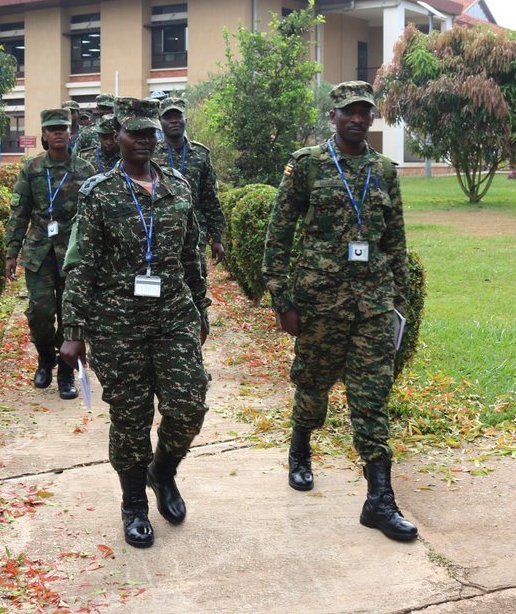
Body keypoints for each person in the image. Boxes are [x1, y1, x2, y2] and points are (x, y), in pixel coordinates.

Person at [262, 81, 418, 542]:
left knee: (372, 399)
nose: (356, 119)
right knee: (312, 386)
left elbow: (396, 241)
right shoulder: (307, 164)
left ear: (371, 118)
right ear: (333, 116)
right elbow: (279, 231)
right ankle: (300, 449)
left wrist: (399, 304)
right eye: (348, 111)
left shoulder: (384, 171)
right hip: (320, 304)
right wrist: (281, 298)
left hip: (372, 305)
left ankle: (380, 500)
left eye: (364, 112)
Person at [60, 96, 210, 549]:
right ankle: (134, 505)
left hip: (173, 317)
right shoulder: (100, 192)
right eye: (135, 133)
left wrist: (201, 309)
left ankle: (161, 471)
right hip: (116, 323)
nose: (144, 140)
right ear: (117, 137)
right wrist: (73, 331)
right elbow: (82, 264)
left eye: (150, 133)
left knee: (188, 406)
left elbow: (191, 255)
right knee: (130, 418)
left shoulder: (179, 187)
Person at [6, 108, 96, 399]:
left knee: (70, 314)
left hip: (73, 253)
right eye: (52, 129)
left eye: (63, 128)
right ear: (44, 135)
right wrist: (11, 252)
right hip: (38, 251)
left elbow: (97, 216)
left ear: (70, 133)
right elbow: (19, 213)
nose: (58, 133)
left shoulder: (85, 170)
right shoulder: (31, 169)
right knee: (40, 313)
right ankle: (45, 358)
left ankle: (66, 373)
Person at [152, 97, 225, 279]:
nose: (174, 121)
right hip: (159, 231)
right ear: (160, 122)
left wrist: (217, 237)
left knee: (196, 280)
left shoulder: (201, 154)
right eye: (168, 117)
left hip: (195, 231)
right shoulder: (151, 154)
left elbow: (210, 197)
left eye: (178, 116)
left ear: (186, 120)